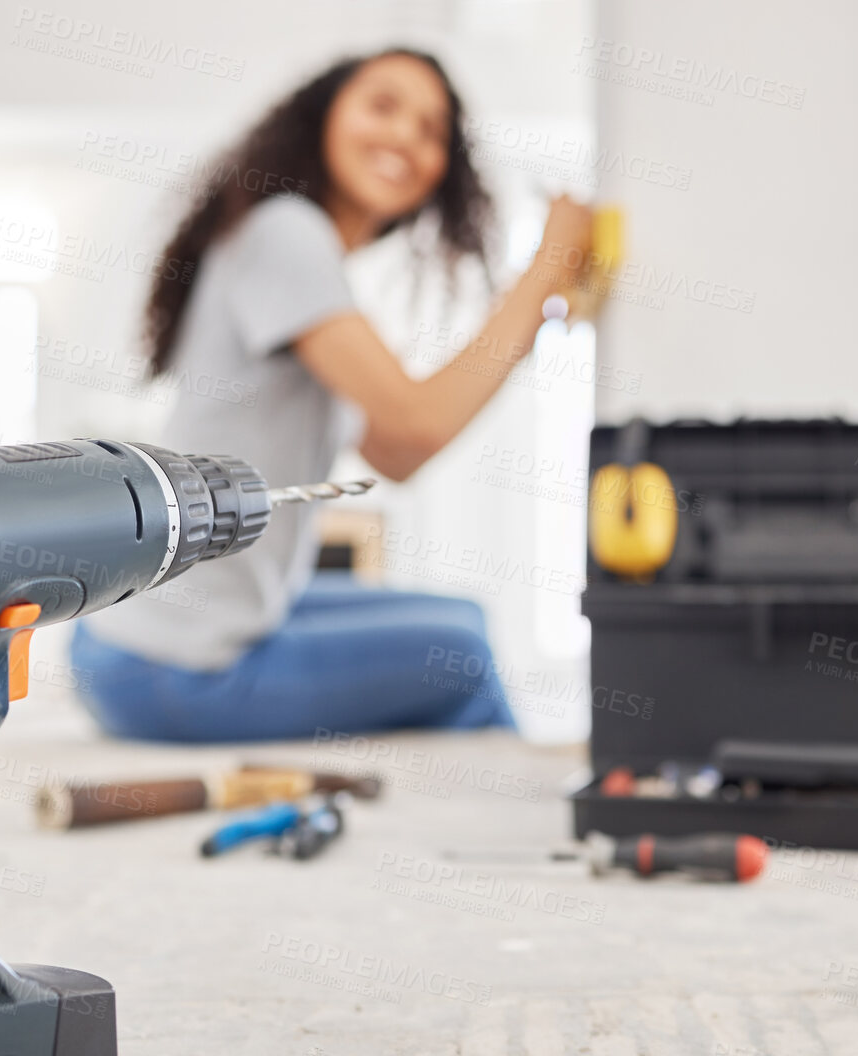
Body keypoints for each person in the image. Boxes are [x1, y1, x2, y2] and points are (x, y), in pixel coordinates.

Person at [72, 47, 593, 742]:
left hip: (133, 638)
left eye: (431, 130)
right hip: (169, 668)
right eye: (383, 106)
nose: (406, 136)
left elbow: (395, 453)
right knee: (460, 658)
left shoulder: (304, 259)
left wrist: (541, 307)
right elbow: (415, 423)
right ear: (324, 117)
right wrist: (548, 266)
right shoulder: (286, 232)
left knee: (462, 621)